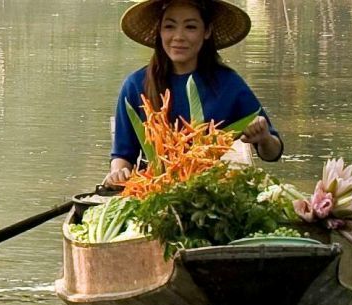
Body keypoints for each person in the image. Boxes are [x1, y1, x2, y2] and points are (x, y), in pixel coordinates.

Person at [106, 0, 282, 187]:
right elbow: (123, 155)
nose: (178, 36)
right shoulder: (135, 85)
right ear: (159, 30)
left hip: (208, 190)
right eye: (169, 26)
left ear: (206, 31)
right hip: (153, 189)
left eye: (190, 27)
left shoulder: (229, 84)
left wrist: (263, 138)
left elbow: (273, 153)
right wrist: (118, 173)